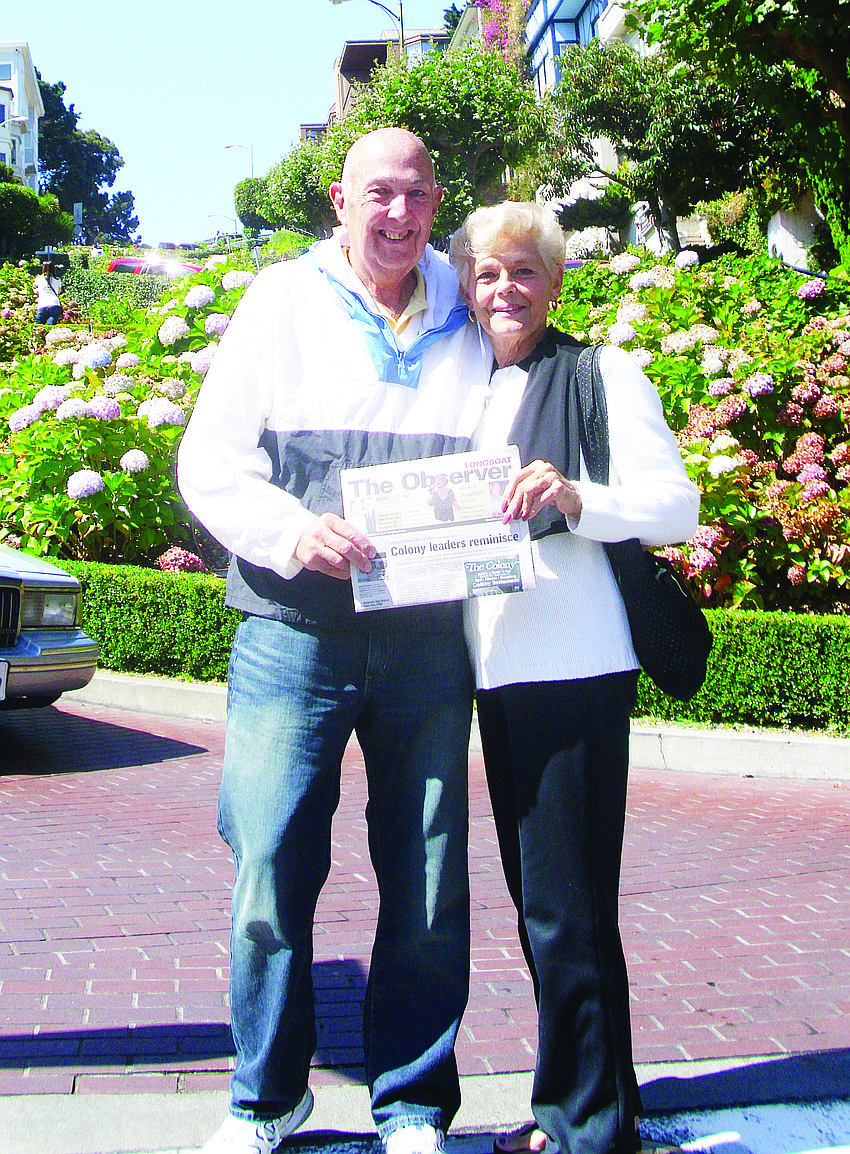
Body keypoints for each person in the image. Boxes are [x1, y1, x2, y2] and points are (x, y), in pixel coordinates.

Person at [177, 128, 492, 1154]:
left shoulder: (469, 298)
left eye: (416, 195)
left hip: (428, 631)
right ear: (338, 197)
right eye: (378, 195)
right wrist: (290, 530)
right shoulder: (279, 299)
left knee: (430, 869)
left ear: (438, 200)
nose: (397, 216)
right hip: (294, 627)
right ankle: (266, 1098)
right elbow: (209, 461)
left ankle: (411, 1103)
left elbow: (515, 428)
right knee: (267, 854)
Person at [449, 202, 699, 1154]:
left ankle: (586, 1127)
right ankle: (601, 1098)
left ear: (555, 282)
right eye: (485, 275)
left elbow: (675, 506)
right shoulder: (469, 387)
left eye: (522, 272)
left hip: (577, 667)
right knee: (549, 902)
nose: (502, 289)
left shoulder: (602, 372)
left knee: (565, 904)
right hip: (495, 670)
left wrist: (574, 496)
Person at [33, 261, 63, 325]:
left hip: (42, 304)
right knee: (51, 327)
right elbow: (59, 291)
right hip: (54, 304)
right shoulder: (57, 279)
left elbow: (35, 287)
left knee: (39, 327)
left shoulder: (39, 279)